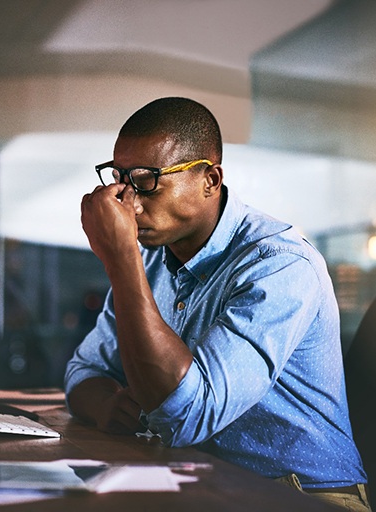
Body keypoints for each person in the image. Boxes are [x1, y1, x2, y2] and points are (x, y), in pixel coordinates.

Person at [64, 97, 370, 510]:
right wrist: (106, 406)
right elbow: (84, 370)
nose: (129, 204)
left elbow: (186, 414)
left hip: (302, 494)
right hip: (202, 484)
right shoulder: (152, 261)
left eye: (147, 180)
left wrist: (120, 260)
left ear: (210, 179)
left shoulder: (280, 266)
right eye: (120, 180)